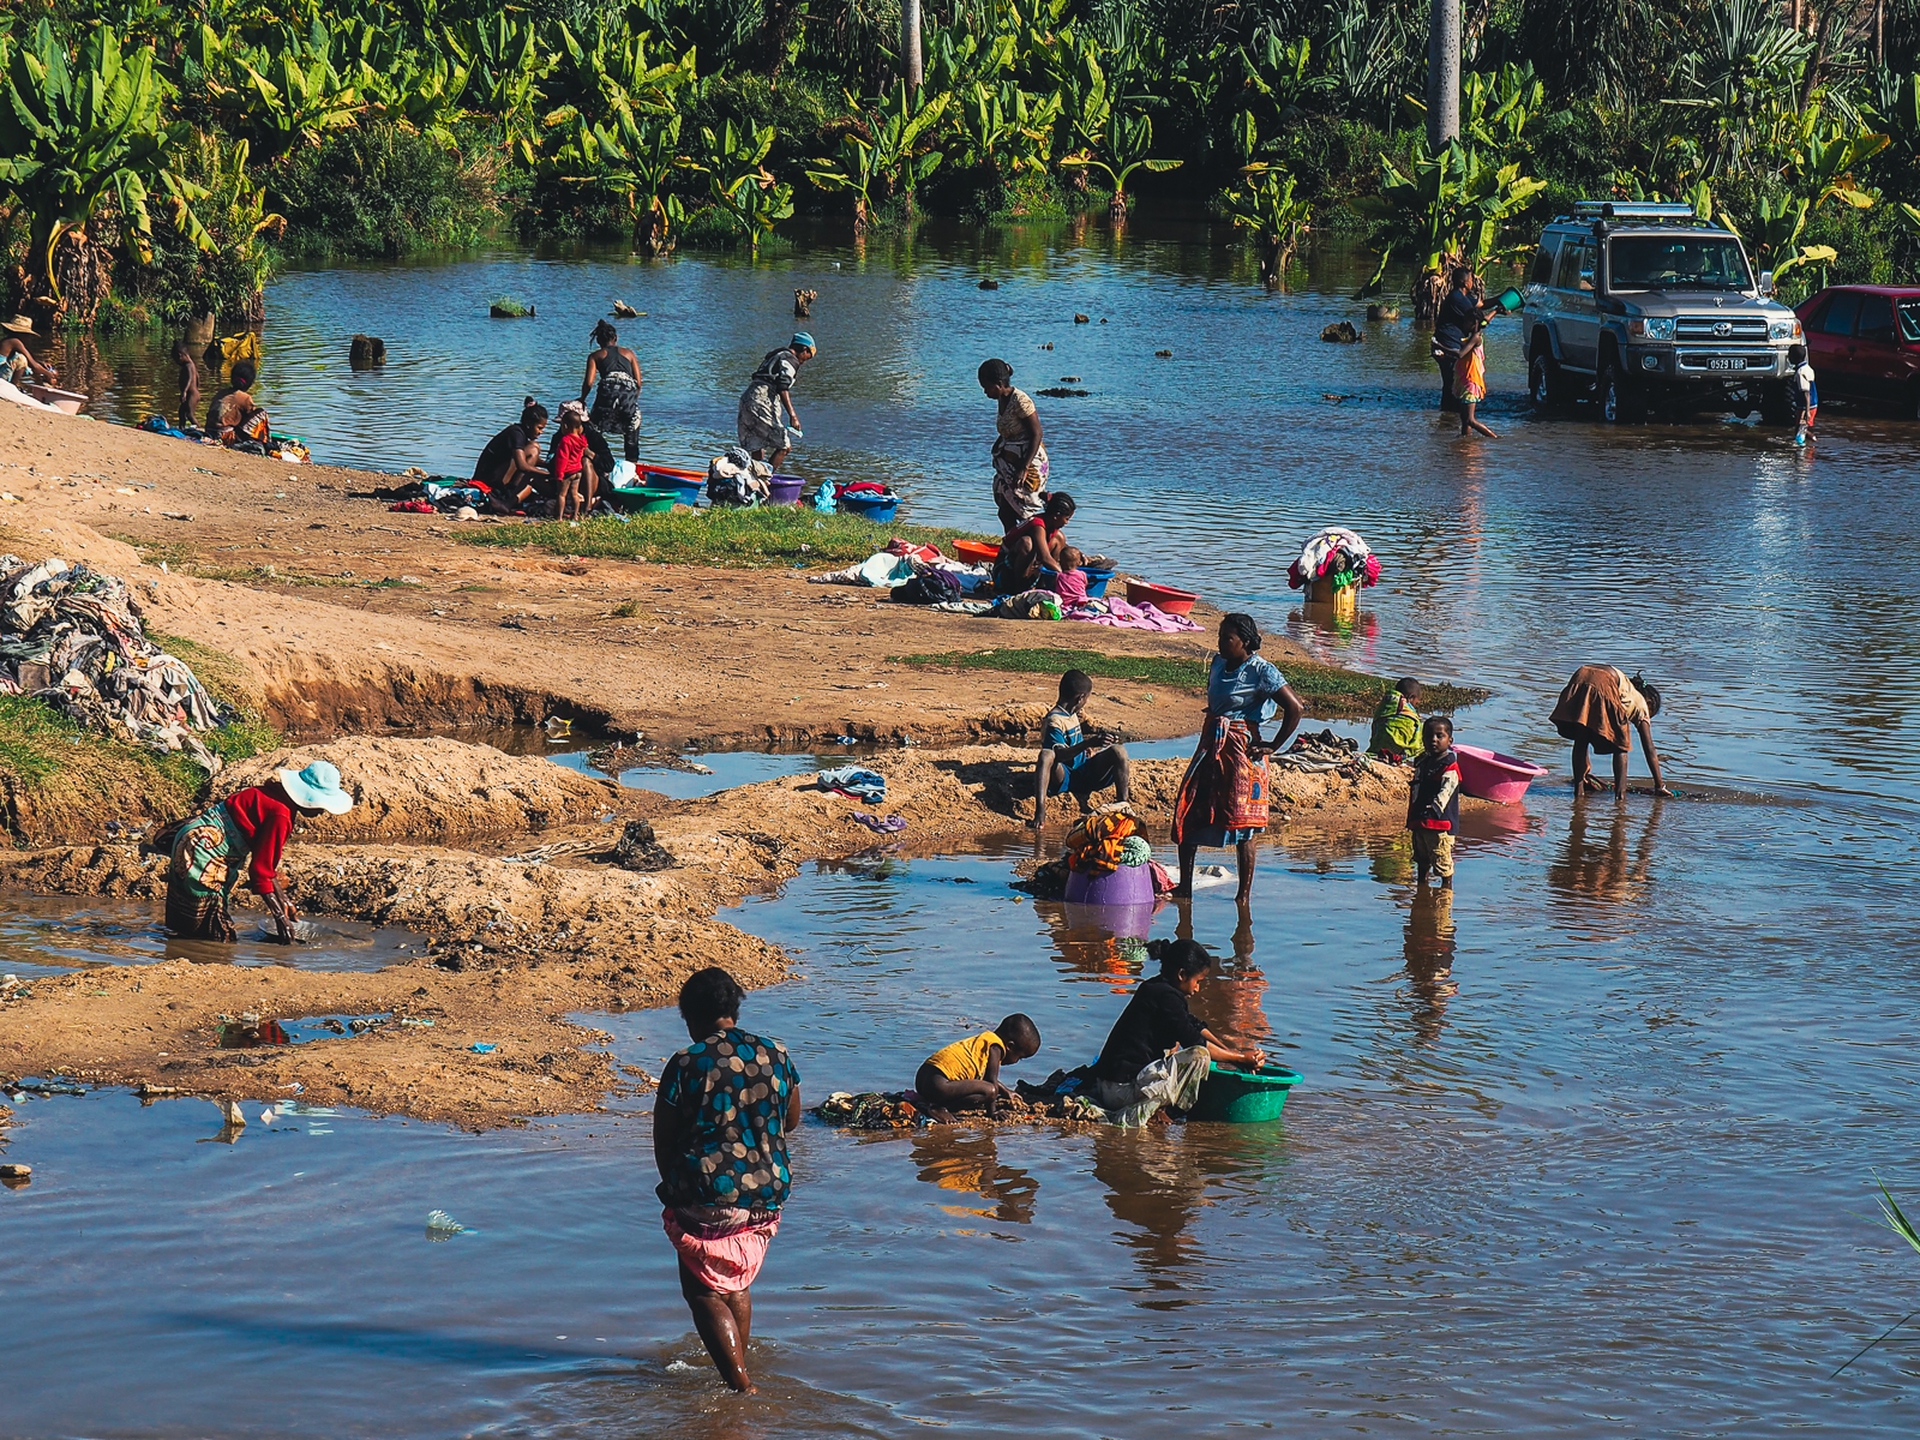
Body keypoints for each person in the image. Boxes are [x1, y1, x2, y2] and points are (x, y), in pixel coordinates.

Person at [654, 966, 800, 1395]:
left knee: (701, 1292)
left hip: (707, 1193)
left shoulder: (685, 1062)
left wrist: (673, 1190)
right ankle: (738, 1365)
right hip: (767, 1194)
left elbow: (664, 1138)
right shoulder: (776, 1053)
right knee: (738, 1281)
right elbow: (790, 1122)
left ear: (689, 1016)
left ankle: (741, 1388)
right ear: (734, 1008)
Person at [1172, 613, 1305, 902]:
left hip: (1243, 751)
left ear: (1244, 641)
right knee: (1190, 807)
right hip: (1212, 743)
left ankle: (1242, 896)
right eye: (1220, 636)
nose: (1220, 643)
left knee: (1245, 824)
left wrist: (1274, 746)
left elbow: (1295, 707)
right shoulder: (1219, 663)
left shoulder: (1262, 670)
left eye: (1226, 638)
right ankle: (1184, 887)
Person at [165, 761, 355, 941]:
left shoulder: (274, 795)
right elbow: (259, 871)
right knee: (216, 933)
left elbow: (266, 866)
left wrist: (284, 901)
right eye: (321, 805)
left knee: (191, 924)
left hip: (192, 838)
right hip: (203, 851)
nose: (321, 812)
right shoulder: (281, 815)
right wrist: (281, 919)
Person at [1089, 939, 1266, 1125]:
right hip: (1121, 1092)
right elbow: (1194, 1041)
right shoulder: (1167, 997)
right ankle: (1167, 1110)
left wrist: (1233, 1053)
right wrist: (1240, 1059)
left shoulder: (1155, 988)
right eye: (1198, 982)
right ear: (1182, 975)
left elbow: (1193, 1025)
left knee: (1179, 1047)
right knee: (1199, 1055)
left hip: (1108, 1086)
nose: (1197, 989)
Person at [1549, 664, 1673, 798]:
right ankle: (1620, 796)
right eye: (1650, 714)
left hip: (1581, 674)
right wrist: (1659, 785)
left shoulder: (1627, 692)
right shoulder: (1641, 704)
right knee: (1621, 744)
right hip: (1604, 680)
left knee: (1581, 739)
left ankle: (1579, 792)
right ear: (1649, 703)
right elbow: (1649, 749)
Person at [1033, 668, 1131, 829]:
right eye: (1087, 698)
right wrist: (1088, 743)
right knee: (1046, 755)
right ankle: (1040, 810)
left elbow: (1074, 744)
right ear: (1080, 698)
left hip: (1085, 769)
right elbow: (1060, 755)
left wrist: (1091, 748)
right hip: (1065, 776)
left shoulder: (1071, 713)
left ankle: (1123, 804)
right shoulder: (1054, 721)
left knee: (1118, 751)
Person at [914, 1013, 1041, 1120]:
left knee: (988, 1088)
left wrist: (1007, 1092)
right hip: (938, 1085)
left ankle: (933, 1102)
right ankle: (938, 1107)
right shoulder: (995, 1048)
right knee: (990, 1092)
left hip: (924, 1078)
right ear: (1010, 1046)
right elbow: (991, 1083)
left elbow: (987, 1077)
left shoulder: (985, 1040)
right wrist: (993, 1113)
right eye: (1019, 1057)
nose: (1016, 1061)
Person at [978, 358, 1049, 531]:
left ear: (1000, 384)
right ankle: (1013, 544)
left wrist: (1023, 468)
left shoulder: (1020, 400)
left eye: (987, 387)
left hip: (1027, 461)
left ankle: (1034, 545)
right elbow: (1011, 430)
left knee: (1025, 511)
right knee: (1005, 510)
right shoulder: (1002, 399)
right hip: (1011, 459)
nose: (985, 392)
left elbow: (1036, 433)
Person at [737, 332, 815, 472]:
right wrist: (793, 415)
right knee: (784, 446)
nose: (804, 361)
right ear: (804, 349)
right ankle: (764, 480)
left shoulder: (776, 355)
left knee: (756, 445)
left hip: (748, 398)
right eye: (808, 356)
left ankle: (754, 482)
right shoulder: (790, 359)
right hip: (762, 400)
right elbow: (782, 386)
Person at [1407, 715, 1462, 891]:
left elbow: (1446, 792)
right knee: (1421, 858)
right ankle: (1421, 887)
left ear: (1450, 740)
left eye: (1440, 736)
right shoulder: (1423, 762)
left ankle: (1445, 894)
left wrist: (1434, 810)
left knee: (1442, 862)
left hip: (1440, 824)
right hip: (1420, 820)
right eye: (1429, 736)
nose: (1433, 740)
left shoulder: (1449, 767)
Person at [1433, 266, 1497, 411]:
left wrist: (1502, 299)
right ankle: (1451, 413)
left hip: (1450, 341)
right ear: (1465, 282)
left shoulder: (1462, 296)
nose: (1473, 282)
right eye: (1471, 279)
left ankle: (1448, 417)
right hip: (1448, 341)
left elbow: (1481, 304)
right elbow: (1480, 321)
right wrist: (1496, 311)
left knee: (1452, 379)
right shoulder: (1457, 299)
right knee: (1451, 379)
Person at [581, 320, 643, 463]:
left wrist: (582, 398)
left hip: (606, 397)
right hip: (628, 397)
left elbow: (589, 383)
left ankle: (595, 462)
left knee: (593, 428)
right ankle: (632, 468)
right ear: (615, 338)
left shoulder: (595, 356)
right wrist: (633, 400)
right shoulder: (629, 353)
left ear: (598, 341)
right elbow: (638, 383)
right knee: (632, 426)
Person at [474, 399, 550, 514]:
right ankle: (510, 495)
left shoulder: (519, 432)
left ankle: (513, 491)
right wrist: (549, 474)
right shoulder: (516, 434)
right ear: (529, 424)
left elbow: (525, 458)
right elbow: (522, 466)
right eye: (539, 428)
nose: (541, 432)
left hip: (497, 475)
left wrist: (548, 465)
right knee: (533, 450)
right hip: (490, 479)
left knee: (534, 447)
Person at [993, 491, 1074, 594]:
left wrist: (1081, 558)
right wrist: (1066, 576)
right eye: (1066, 519)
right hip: (1005, 576)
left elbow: (1064, 550)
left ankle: (1048, 586)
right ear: (1056, 516)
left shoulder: (1052, 527)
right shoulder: (1037, 526)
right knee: (1027, 543)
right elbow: (1045, 558)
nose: (1067, 522)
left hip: (1030, 573)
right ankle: (1020, 589)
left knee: (1059, 539)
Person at [549, 400, 597, 520]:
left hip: (567, 471)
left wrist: (559, 474)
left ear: (565, 426)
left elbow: (562, 458)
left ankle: (559, 517)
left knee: (562, 494)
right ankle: (575, 515)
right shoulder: (582, 440)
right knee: (575, 494)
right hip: (578, 471)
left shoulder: (565, 440)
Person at [204, 359, 269, 445]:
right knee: (261, 413)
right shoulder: (245, 398)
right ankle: (261, 440)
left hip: (209, 431)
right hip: (224, 436)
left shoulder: (221, 393)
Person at [1369, 678, 1424, 763]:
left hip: (1376, 749)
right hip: (1398, 754)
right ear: (1411, 698)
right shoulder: (1410, 717)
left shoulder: (1383, 708)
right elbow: (1416, 743)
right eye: (1416, 702)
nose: (1415, 706)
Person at [1457, 329, 1497, 439]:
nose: (1464, 324)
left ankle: (1495, 439)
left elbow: (1460, 354)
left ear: (1474, 323)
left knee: (1470, 420)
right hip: (1466, 381)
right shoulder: (1470, 338)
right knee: (1464, 419)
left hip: (1471, 382)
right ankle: (1466, 441)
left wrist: (1440, 346)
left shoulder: (1476, 338)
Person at [1, 314, 56, 389]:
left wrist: (41, 363)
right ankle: (13, 388)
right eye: (27, 335)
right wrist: (49, 374)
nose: (29, 338)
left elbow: (32, 361)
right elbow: (34, 366)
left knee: (24, 361)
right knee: (22, 359)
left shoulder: (9, 340)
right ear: (20, 333)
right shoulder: (15, 342)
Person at [1789, 342, 1818, 447]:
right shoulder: (1808, 368)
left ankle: (1808, 447)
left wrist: (1807, 411)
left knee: (1800, 429)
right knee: (1801, 427)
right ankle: (1806, 446)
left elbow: (1806, 393)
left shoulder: (1800, 373)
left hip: (1805, 406)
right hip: (1813, 404)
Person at [173, 340, 200, 432]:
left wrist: (184, 391)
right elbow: (198, 377)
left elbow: (190, 378)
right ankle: (182, 428)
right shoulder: (192, 365)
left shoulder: (188, 365)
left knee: (189, 414)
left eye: (176, 360)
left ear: (180, 356)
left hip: (191, 394)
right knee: (181, 412)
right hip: (193, 393)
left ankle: (199, 428)